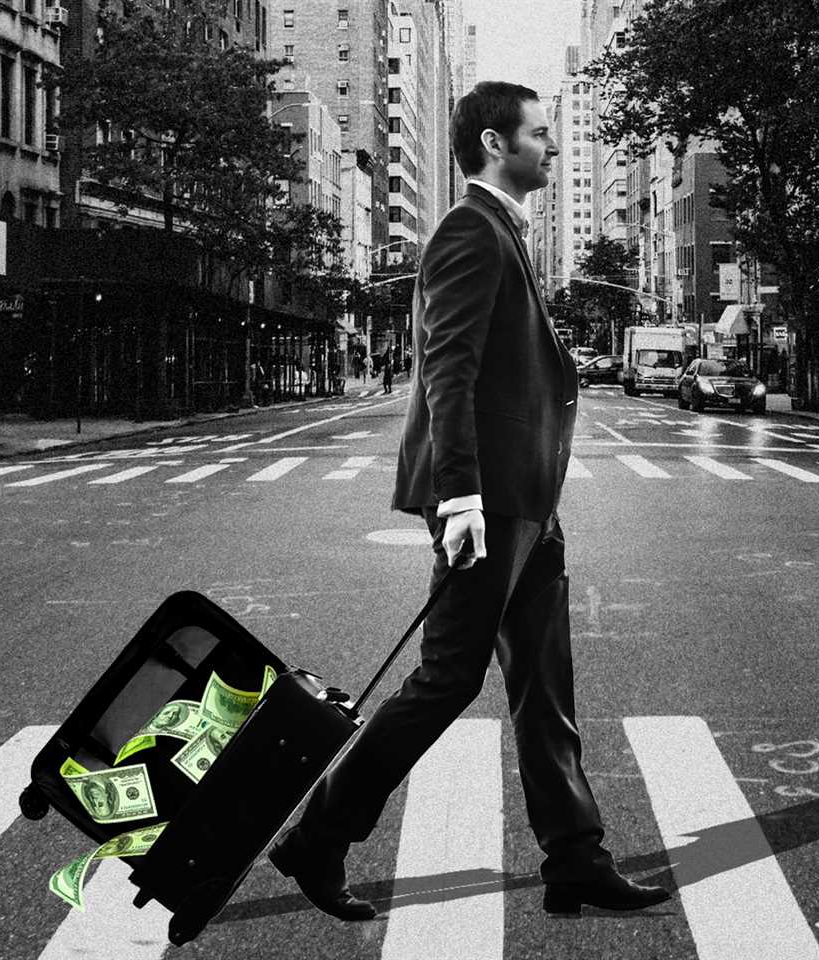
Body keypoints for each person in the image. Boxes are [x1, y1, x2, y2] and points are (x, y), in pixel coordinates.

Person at [268, 80, 671, 920]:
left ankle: (574, 858)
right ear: (496, 143)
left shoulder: (505, 233)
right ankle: (318, 839)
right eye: (540, 135)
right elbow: (445, 369)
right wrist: (459, 501)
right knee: (447, 679)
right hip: (489, 499)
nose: (552, 149)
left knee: (543, 682)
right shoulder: (468, 230)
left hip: (531, 502)